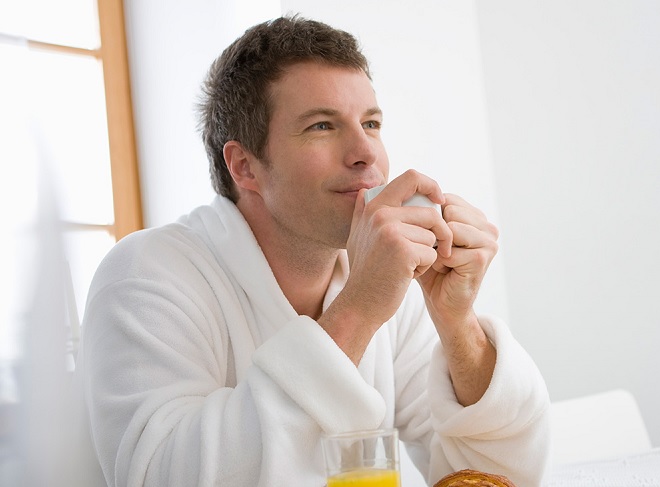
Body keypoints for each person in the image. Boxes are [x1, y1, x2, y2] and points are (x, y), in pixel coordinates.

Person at [80, 15, 550, 487]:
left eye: (371, 122)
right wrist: (360, 309)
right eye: (322, 126)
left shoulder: (392, 283)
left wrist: (456, 320)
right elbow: (164, 478)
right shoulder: (146, 274)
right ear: (244, 166)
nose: (366, 151)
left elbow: (496, 478)